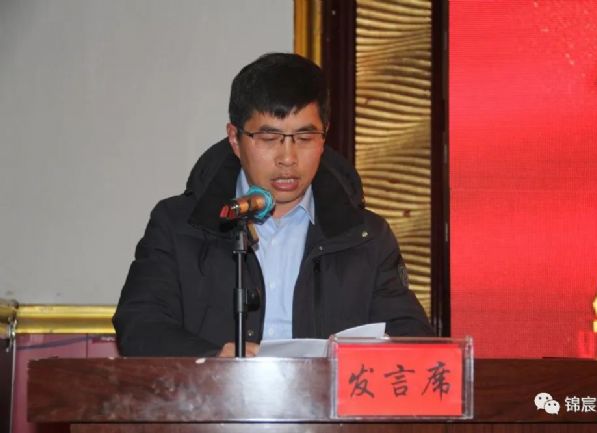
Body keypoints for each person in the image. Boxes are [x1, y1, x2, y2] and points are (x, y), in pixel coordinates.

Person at [113, 53, 434, 357]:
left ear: (324, 138)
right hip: (212, 394)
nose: (288, 159)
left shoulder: (365, 235)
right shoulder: (179, 224)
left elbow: (410, 335)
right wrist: (212, 360)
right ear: (235, 139)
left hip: (325, 397)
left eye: (305, 138)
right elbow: (139, 324)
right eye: (269, 139)